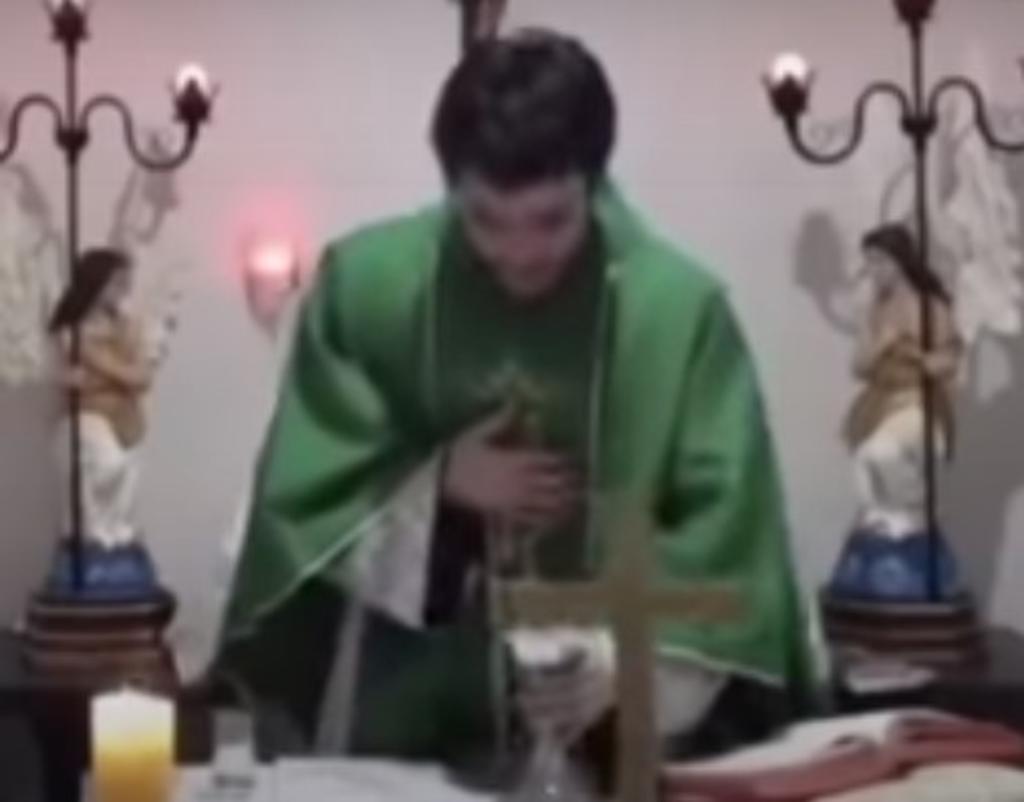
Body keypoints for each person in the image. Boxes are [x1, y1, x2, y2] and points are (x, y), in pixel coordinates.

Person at [215, 28, 810, 773]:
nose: (520, 253)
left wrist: (619, 660)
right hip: (399, 727)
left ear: (593, 183)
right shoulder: (369, 289)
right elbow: (298, 512)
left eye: (551, 221)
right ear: (453, 188)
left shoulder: (678, 315)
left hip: (606, 746)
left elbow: (730, 547)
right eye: (486, 221)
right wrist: (437, 486)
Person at [832, 223, 964, 601]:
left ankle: (915, 512)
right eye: (869, 262)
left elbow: (949, 360)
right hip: (882, 399)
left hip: (917, 400)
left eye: (879, 261)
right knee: (863, 459)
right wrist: (883, 343)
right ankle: (882, 519)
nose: (873, 270)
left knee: (883, 453)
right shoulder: (877, 310)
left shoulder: (929, 307)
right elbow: (860, 366)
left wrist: (922, 360)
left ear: (899, 261)